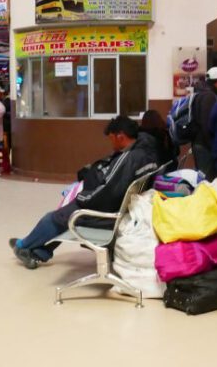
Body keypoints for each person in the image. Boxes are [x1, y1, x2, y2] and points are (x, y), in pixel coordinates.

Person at [9, 115, 158, 268]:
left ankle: (23, 246)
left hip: (107, 213)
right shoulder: (146, 151)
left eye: (111, 138)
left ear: (120, 136)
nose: (111, 143)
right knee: (66, 214)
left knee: (57, 216)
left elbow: (107, 190)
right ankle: (39, 252)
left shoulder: (128, 158)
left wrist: (83, 198)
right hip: (122, 207)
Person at [191, 67, 217, 179]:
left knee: (205, 180)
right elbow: (206, 125)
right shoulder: (209, 97)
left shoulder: (202, 93)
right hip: (204, 146)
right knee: (207, 182)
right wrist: (214, 147)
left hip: (200, 144)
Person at [0, 88, 13, 174]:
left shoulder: (5, 101)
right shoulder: (7, 101)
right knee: (7, 146)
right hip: (7, 127)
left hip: (8, 127)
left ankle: (7, 163)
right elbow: (5, 113)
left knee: (8, 146)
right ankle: (6, 164)